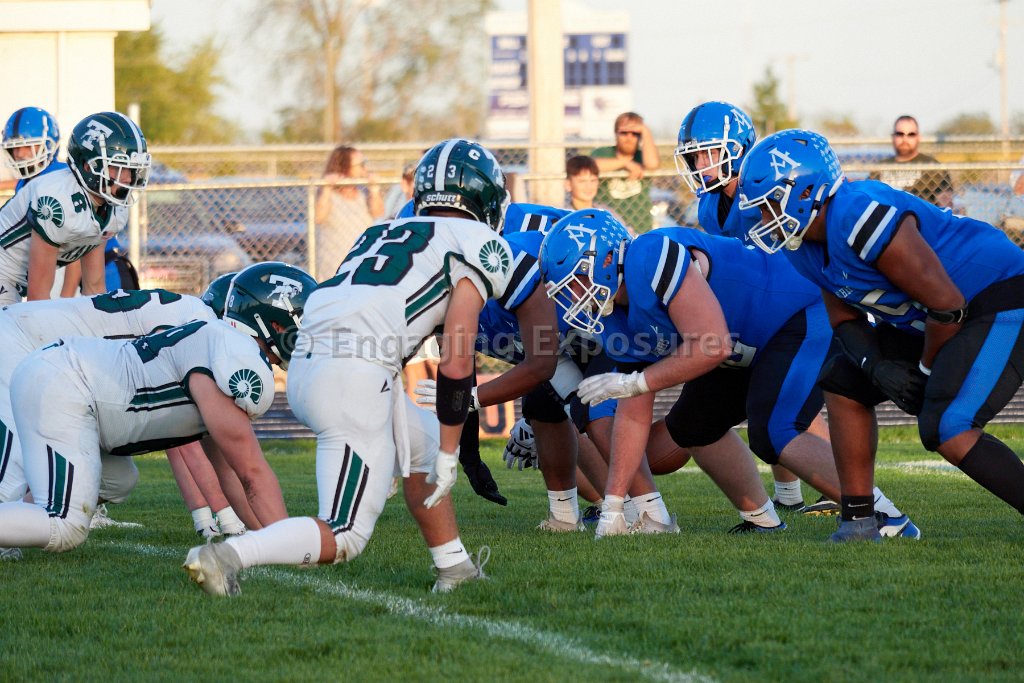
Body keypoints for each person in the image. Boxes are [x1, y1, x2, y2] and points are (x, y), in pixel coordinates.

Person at [184, 139, 513, 596]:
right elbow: (457, 358)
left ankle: (454, 567)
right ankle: (229, 556)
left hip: (310, 363)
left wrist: (439, 446)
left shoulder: (378, 231)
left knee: (421, 444)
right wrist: (451, 451)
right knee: (344, 534)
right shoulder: (479, 243)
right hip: (355, 373)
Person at [540, 209, 916, 539]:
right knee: (693, 427)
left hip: (798, 313)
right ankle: (763, 521)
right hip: (743, 344)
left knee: (776, 430)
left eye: (576, 281)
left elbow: (712, 345)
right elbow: (633, 409)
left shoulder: (651, 255)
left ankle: (885, 516)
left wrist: (636, 381)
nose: (574, 296)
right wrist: (615, 503)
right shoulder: (614, 316)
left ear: (607, 259)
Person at [738, 128, 1024, 541]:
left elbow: (947, 305)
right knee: (842, 380)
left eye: (769, 205)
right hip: (942, 317)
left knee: (948, 425)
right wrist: (876, 366)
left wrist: (924, 371)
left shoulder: (858, 214)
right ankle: (861, 521)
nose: (765, 219)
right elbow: (845, 321)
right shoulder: (802, 247)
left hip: (1000, 298)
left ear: (805, 191)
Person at [0, 307, 288, 559]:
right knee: (65, 524)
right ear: (271, 323)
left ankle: (13, 525)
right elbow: (252, 473)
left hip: (62, 375)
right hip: (65, 383)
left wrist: (269, 540)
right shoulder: (227, 358)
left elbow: (231, 474)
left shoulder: (216, 346)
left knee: (117, 480)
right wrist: (292, 543)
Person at [674, 100, 836, 515]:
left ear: (738, 148)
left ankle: (848, 493)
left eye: (709, 153)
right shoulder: (710, 205)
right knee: (768, 404)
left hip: (802, 304)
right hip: (760, 309)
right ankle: (789, 497)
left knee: (783, 403)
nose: (700, 165)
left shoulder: (764, 190)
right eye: (694, 156)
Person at [0, 111, 150, 305]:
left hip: (19, 279)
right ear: (88, 167)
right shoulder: (57, 199)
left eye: (131, 169)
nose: (128, 179)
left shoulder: (113, 208)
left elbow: (94, 288)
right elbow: (37, 300)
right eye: (118, 167)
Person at [313, 144, 384, 280]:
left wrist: (374, 189)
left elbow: (378, 213)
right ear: (345, 166)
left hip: (362, 263)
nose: (365, 168)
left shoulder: (363, 193)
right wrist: (327, 188)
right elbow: (318, 218)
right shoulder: (328, 194)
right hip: (334, 267)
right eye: (361, 164)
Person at [590, 112, 661, 234]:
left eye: (635, 133)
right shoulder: (603, 153)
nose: (629, 137)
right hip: (608, 228)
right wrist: (625, 163)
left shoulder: (642, 156)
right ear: (616, 133)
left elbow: (653, 164)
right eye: (624, 132)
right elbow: (590, 166)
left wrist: (645, 130)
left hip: (640, 227)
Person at [868, 115, 953, 209]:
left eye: (911, 134)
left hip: (921, 217)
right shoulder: (881, 167)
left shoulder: (932, 166)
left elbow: (945, 205)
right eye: (900, 134)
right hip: (888, 216)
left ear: (918, 137)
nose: (905, 139)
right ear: (893, 136)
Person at [1, 106, 64, 192]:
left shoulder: (66, 179)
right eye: (15, 147)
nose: (20, 154)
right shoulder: (23, 183)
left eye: (28, 146)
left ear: (49, 145)